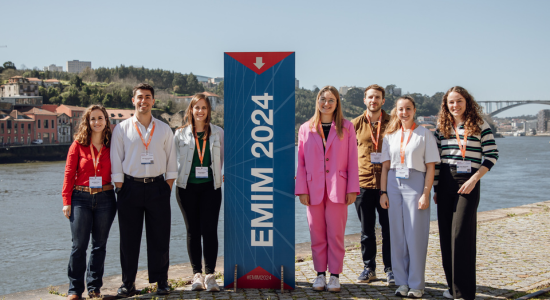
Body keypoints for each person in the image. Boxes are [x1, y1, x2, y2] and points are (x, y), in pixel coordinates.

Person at [111, 83, 177, 297]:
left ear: (153, 101)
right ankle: (128, 283)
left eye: (148, 97)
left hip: (158, 187)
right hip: (130, 188)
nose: (143, 101)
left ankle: (162, 282)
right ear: (133, 100)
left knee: (160, 237)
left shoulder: (165, 129)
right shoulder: (121, 128)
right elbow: (116, 159)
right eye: (140, 97)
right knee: (129, 239)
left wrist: (167, 186)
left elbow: (171, 161)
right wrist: (120, 187)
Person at [434, 86, 498, 300]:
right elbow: (436, 161)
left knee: (461, 234)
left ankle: (465, 291)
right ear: (446, 105)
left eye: (459, 101)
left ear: (467, 102)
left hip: (469, 180)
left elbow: (491, 155)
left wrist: (474, 179)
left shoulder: (479, 124)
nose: (455, 105)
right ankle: (452, 288)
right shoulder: (441, 127)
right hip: (444, 181)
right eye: (451, 102)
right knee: (445, 235)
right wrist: (435, 188)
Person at [295, 85, 360, 292]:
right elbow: (301, 162)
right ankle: (320, 274)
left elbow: (352, 160)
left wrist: (352, 188)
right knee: (317, 233)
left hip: (338, 187)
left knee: (336, 234)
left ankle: (335, 275)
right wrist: (301, 189)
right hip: (312, 188)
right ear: (317, 101)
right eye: (323, 99)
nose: (327, 103)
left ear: (337, 103)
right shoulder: (306, 128)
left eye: (331, 100)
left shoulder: (347, 127)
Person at [379, 96, 440, 298]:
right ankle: (401, 283)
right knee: (397, 236)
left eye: (408, 109)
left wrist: (425, 192)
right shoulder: (389, 136)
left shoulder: (424, 135)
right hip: (394, 184)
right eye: (400, 109)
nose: (404, 113)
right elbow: (385, 167)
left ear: (414, 110)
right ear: (396, 111)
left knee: (415, 236)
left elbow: (431, 167)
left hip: (416, 183)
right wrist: (383, 192)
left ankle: (416, 285)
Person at [61, 104, 116, 300]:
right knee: (79, 246)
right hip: (80, 198)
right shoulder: (78, 144)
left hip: (106, 198)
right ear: (87, 121)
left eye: (100, 118)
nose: (97, 122)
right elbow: (69, 173)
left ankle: (94, 288)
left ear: (106, 121)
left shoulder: (113, 145)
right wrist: (66, 200)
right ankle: (75, 290)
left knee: (99, 246)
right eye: (93, 118)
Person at [174, 94, 224, 292]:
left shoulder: (218, 132)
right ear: (191, 110)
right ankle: (197, 275)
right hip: (186, 188)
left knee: (210, 231)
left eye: (204, 108)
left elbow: (227, 157)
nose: (200, 111)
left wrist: (224, 174)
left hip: (211, 187)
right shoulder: (180, 134)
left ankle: (210, 276)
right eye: (197, 108)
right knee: (192, 231)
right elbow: (173, 160)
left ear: (208, 110)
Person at [351, 84, 394, 285]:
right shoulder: (354, 125)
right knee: (367, 230)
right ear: (364, 100)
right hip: (363, 184)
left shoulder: (393, 123)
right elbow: (346, 156)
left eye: (377, 97)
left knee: (389, 229)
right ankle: (369, 268)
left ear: (383, 101)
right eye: (370, 97)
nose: (373, 101)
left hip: (389, 185)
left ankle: (391, 269)